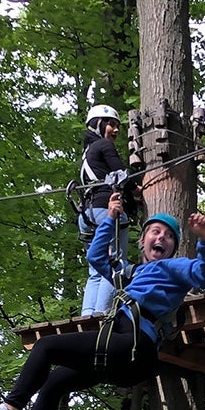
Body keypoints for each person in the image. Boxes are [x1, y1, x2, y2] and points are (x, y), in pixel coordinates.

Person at [0, 192, 205, 410]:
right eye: (155, 232)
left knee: (46, 347)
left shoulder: (175, 268)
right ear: (143, 240)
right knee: (55, 382)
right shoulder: (130, 272)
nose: (161, 239)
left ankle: (12, 408)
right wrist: (110, 218)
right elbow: (96, 256)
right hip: (122, 354)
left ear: (173, 247)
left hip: (136, 345)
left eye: (168, 236)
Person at [79, 103, 130, 317]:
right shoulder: (103, 145)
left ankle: (88, 315)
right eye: (111, 124)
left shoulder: (87, 152)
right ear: (98, 123)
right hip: (104, 210)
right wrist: (137, 189)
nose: (116, 130)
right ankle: (102, 313)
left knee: (95, 268)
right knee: (116, 262)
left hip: (86, 214)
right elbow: (122, 174)